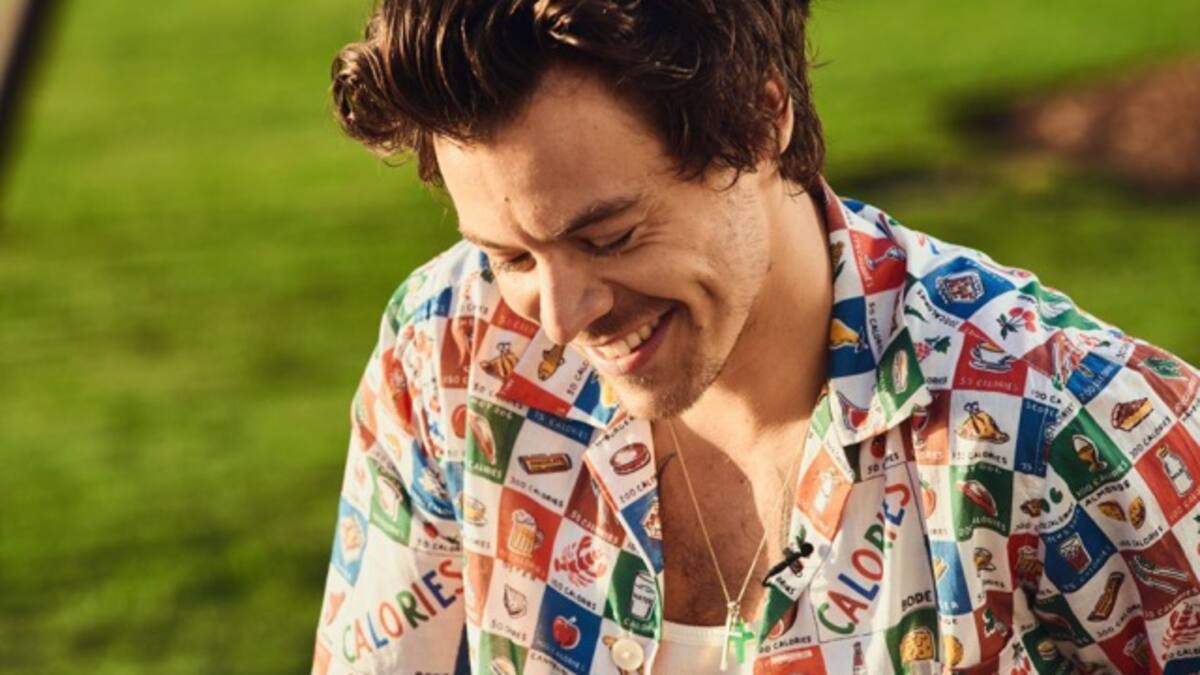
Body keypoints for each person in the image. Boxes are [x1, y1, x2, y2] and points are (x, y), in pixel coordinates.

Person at [312, 1, 1200, 673]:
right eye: (510, 255)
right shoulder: (450, 350)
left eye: (611, 236)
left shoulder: (1076, 429)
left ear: (759, 120)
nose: (558, 317)